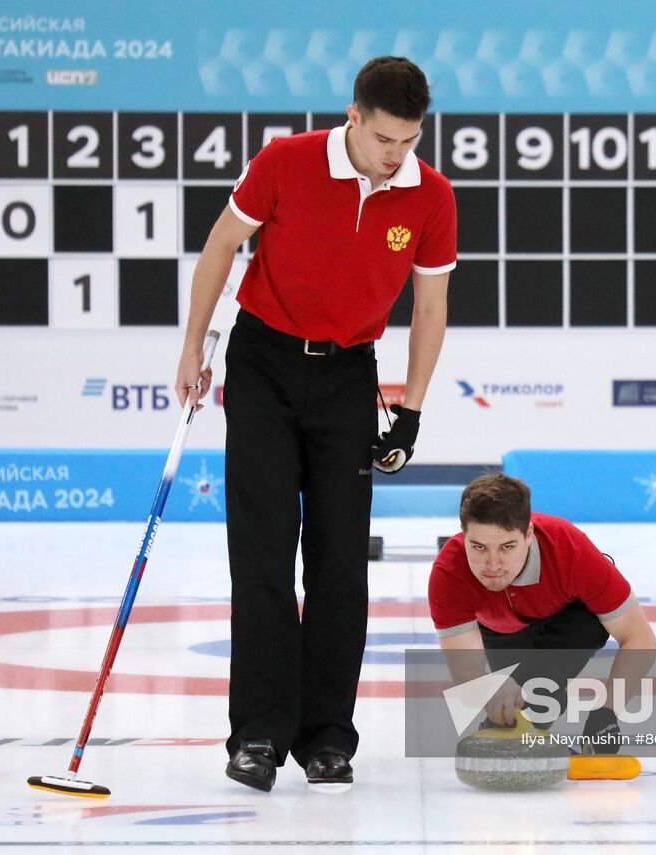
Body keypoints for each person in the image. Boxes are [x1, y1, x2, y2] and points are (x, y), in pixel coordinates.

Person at [173, 56, 457, 792]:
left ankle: (327, 735)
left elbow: (430, 308)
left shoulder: (430, 194)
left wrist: (413, 409)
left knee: (338, 563)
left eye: (411, 140)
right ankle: (258, 736)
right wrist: (193, 347)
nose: (398, 155)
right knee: (263, 556)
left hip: (348, 375)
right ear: (354, 117)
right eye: (387, 138)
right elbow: (220, 246)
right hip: (264, 362)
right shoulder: (286, 161)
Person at [428, 474, 656, 751]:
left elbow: (639, 638)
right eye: (478, 547)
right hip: (500, 633)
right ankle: (539, 702)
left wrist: (606, 713)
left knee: (585, 626)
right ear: (463, 535)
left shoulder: (570, 549)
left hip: (568, 624)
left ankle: (541, 698)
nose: (492, 564)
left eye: (507, 547)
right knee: (524, 702)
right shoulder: (449, 571)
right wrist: (487, 685)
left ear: (528, 534)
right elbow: (465, 670)